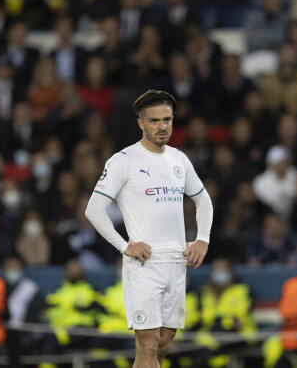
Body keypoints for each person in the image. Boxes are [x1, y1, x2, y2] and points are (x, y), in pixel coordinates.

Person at [85, 90, 213, 367]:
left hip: (177, 262)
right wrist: (124, 246)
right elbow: (93, 209)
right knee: (148, 342)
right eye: (154, 121)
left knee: (164, 342)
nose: (163, 126)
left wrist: (202, 239)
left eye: (167, 119)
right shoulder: (123, 161)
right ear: (141, 123)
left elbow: (203, 199)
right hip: (143, 264)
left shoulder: (179, 159)